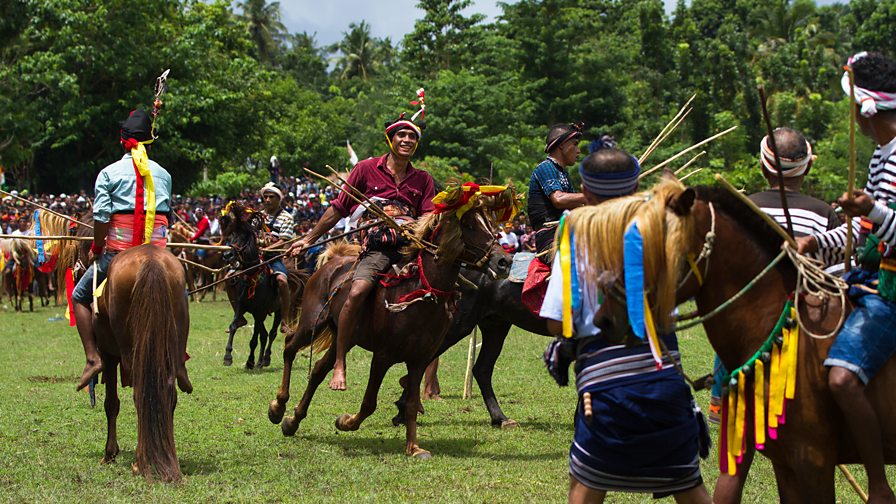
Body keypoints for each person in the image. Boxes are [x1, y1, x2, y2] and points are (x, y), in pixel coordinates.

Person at [540, 148, 711, 504]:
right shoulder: (665, 230)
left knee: (585, 485)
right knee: (687, 485)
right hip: (663, 379)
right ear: (635, 188)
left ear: (585, 193)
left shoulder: (576, 232)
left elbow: (556, 322)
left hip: (602, 390)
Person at [796, 51, 896, 503]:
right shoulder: (879, 157)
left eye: (852, 106)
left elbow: (879, 218)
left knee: (840, 378)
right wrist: (816, 243)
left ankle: (879, 486)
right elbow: (864, 228)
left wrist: (870, 210)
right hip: (874, 279)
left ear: (866, 107)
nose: (852, 116)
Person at [288, 114, 435, 391]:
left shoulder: (423, 179)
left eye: (412, 136)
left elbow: (428, 216)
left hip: (409, 250)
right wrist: (309, 239)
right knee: (356, 292)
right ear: (390, 139)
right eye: (401, 135)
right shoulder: (366, 169)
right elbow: (339, 208)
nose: (407, 140)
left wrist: (414, 225)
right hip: (377, 249)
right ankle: (340, 362)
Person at [71, 109, 173, 391]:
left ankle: (93, 358)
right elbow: (168, 218)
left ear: (123, 140)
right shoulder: (164, 174)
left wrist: (96, 248)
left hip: (117, 254)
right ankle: (178, 361)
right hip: (160, 255)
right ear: (148, 142)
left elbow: (102, 218)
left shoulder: (108, 173)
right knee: (181, 294)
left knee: (79, 296)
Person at [527, 122, 587, 262]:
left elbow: (577, 207)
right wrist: (591, 195)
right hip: (550, 239)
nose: (578, 151)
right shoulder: (546, 167)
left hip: (566, 234)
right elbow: (558, 199)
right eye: (575, 144)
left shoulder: (563, 174)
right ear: (562, 145)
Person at [259, 182, 296, 333]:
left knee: (282, 281)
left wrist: (267, 248)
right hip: (256, 256)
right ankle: (238, 316)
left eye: (271, 197)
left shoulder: (286, 217)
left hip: (273, 258)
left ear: (278, 199)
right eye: (265, 197)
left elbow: (284, 240)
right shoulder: (258, 216)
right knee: (232, 276)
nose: (267, 200)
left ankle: (285, 320)